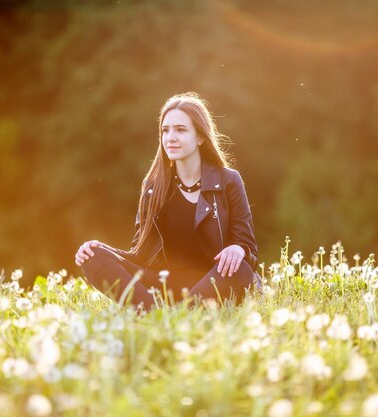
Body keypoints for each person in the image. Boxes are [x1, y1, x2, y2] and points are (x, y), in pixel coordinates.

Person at [74, 92, 260, 309]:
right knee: (92, 256)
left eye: (180, 130)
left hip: (213, 283)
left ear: (200, 137)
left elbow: (249, 249)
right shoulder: (153, 188)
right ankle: (157, 313)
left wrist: (239, 249)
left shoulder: (229, 180)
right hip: (164, 284)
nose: (170, 137)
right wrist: (100, 250)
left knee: (241, 269)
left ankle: (169, 314)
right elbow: (140, 254)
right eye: (165, 130)